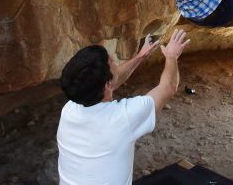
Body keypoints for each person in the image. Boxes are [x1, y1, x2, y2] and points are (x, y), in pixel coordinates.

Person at [57, 29, 190, 185]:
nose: (113, 58)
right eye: (111, 61)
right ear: (107, 84)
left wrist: (141, 56)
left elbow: (112, 82)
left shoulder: (70, 108)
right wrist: (171, 56)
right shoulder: (123, 118)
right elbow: (168, 87)